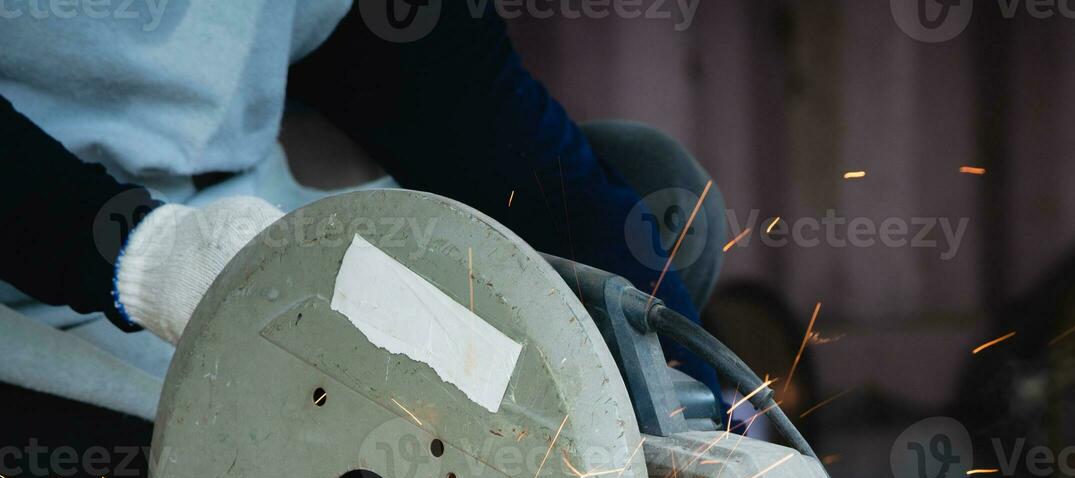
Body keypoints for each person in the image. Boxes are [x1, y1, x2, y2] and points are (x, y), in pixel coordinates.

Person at [0, 0, 725, 417]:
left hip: (240, 218)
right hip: (38, 276)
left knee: (649, 202)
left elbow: (442, 75)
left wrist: (683, 376)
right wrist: (149, 260)